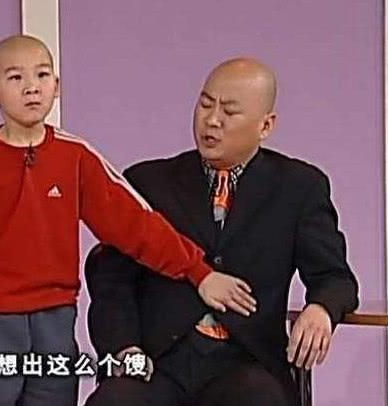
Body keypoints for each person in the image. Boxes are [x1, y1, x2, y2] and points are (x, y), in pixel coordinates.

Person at [0, 35, 256, 406]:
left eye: (42, 75)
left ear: (57, 87)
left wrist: (200, 273)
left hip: (55, 320)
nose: (32, 88)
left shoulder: (76, 156)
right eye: (16, 78)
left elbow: (136, 224)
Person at [85, 58, 359, 406]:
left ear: (265, 125)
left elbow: (335, 278)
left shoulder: (299, 187)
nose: (212, 120)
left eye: (229, 111)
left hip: (245, 362)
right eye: (205, 104)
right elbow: (110, 278)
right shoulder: (148, 182)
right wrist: (124, 348)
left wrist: (321, 308)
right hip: (158, 362)